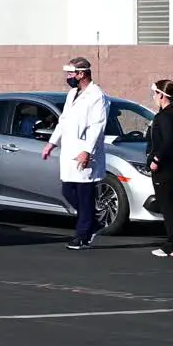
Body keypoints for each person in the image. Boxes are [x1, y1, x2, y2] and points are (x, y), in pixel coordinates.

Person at [42, 56, 110, 250]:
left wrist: (87, 151)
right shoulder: (72, 93)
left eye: (71, 73)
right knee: (68, 191)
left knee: (84, 194)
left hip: (84, 152)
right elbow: (63, 120)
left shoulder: (97, 96)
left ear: (82, 74)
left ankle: (83, 235)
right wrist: (51, 143)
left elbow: (98, 126)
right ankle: (92, 222)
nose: (69, 77)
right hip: (69, 151)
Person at [148, 79, 173, 257]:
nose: (154, 97)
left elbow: (168, 141)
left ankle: (172, 243)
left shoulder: (166, 116)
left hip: (165, 166)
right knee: (168, 203)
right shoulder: (172, 114)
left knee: (167, 205)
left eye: (156, 93)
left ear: (162, 95)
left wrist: (156, 158)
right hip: (171, 164)